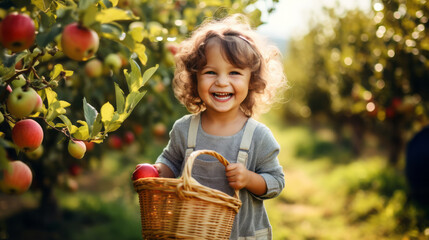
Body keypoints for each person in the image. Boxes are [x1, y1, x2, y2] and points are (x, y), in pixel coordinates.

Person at [153, 14, 287, 240]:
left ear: (251, 81)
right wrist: (156, 172)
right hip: (191, 233)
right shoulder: (184, 129)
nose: (222, 82)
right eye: (210, 72)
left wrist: (249, 179)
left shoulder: (258, 136)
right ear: (195, 80)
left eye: (234, 72)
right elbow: (171, 162)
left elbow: (276, 182)